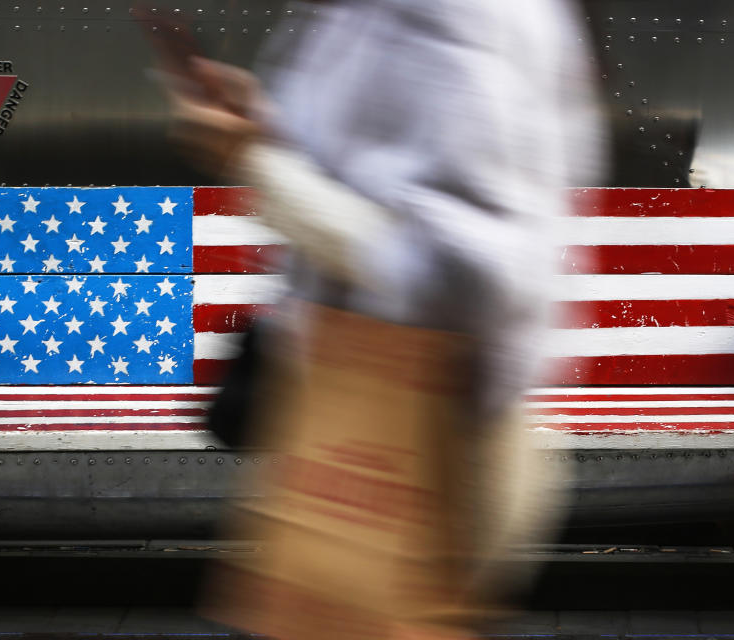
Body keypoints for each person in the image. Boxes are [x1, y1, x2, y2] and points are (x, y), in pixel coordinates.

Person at [153, 0, 606, 636]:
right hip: (348, 440)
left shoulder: (460, 15)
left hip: (429, 459)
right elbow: (381, 178)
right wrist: (264, 129)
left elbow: (469, 274)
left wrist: (258, 165)